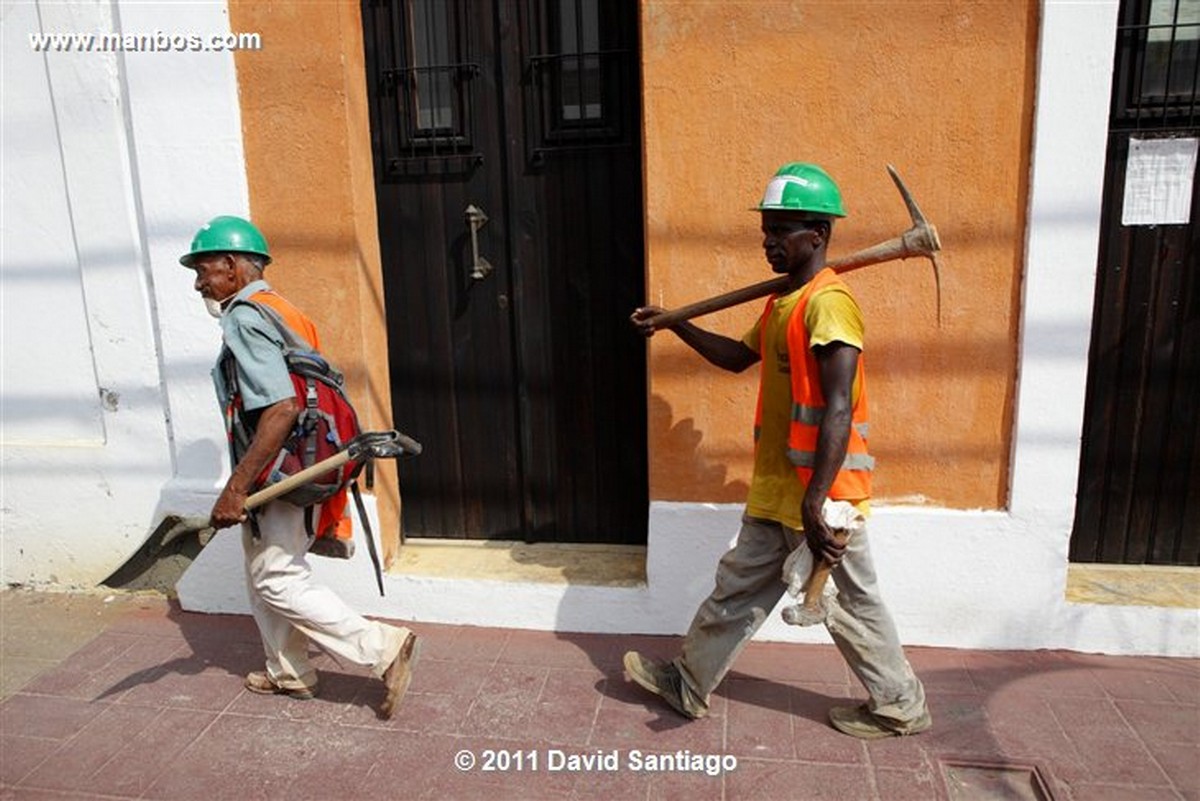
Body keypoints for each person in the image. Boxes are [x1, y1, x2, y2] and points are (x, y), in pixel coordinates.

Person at [624, 163, 931, 739]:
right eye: (765, 230)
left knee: (849, 606)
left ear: (817, 237)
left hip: (825, 497)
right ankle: (689, 683)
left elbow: (838, 406)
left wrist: (817, 501)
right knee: (737, 588)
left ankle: (901, 706)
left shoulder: (829, 304)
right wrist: (675, 324)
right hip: (777, 489)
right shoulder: (783, 304)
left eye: (781, 231)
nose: (768, 242)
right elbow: (738, 358)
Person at [181, 215, 419, 717]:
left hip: (282, 469)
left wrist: (236, 486)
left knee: (276, 577)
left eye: (203, 269)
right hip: (302, 459)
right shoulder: (280, 309)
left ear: (231, 265)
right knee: (260, 569)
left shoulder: (244, 316)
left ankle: (382, 647)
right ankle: (289, 672)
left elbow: (282, 407)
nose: (199, 282)